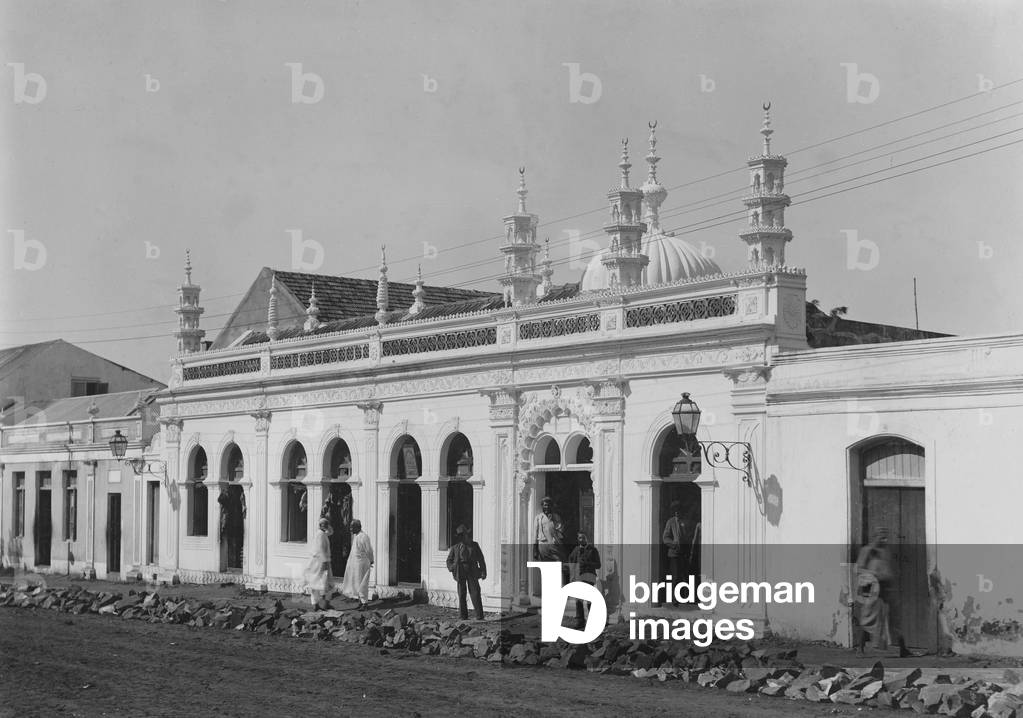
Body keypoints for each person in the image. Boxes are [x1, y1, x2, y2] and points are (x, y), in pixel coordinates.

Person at [855, 527, 910, 657]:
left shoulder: (886, 551)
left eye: (886, 536)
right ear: (875, 536)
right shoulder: (867, 550)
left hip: (888, 587)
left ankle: (902, 648)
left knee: (895, 617)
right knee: (868, 618)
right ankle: (860, 648)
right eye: (881, 536)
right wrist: (874, 574)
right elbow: (859, 569)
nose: (884, 538)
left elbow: (888, 568)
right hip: (873, 587)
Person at [446, 524, 487, 620]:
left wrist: (483, 571)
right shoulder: (455, 547)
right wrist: (452, 567)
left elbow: (481, 559)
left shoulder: (474, 545)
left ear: (466, 535)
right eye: (460, 536)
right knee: (461, 594)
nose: (462, 537)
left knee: (475, 593)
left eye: (463, 535)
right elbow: (449, 560)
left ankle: (479, 616)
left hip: (472, 570)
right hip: (460, 571)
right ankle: (463, 616)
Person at [567, 532, 601, 628]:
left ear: (586, 538)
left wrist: (587, 563)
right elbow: (570, 560)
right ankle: (580, 621)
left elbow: (598, 565)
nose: (581, 539)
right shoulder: (576, 550)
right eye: (579, 538)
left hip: (589, 578)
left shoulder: (593, 550)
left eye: (583, 537)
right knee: (578, 601)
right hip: (578, 578)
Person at [340, 519, 374, 609]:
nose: (350, 529)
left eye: (352, 527)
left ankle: (364, 603)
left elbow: (369, 550)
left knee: (362, 584)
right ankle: (361, 602)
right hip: (357, 565)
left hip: (362, 564)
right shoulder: (357, 536)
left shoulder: (364, 536)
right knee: (357, 583)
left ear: (358, 527)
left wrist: (371, 560)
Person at [533, 496, 567, 584]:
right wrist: (535, 549)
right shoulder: (538, 518)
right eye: (544, 505)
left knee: (559, 564)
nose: (546, 507)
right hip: (543, 546)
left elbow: (561, 530)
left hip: (554, 545)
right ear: (542, 506)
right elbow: (535, 534)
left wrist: (553, 521)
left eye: (548, 505)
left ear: (551, 506)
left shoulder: (556, 517)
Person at [303, 517, 333, 610]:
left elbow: (331, 532)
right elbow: (320, 549)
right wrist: (324, 562)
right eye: (324, 524)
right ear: (320, 525)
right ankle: (318, 604)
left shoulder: (323, 533)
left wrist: (328, 525)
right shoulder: (320, 535)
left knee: (318, 582)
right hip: (320, 562)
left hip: (321, 561)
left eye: (327, 524)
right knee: (321, 582)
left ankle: (319, 603)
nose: (326, 526)